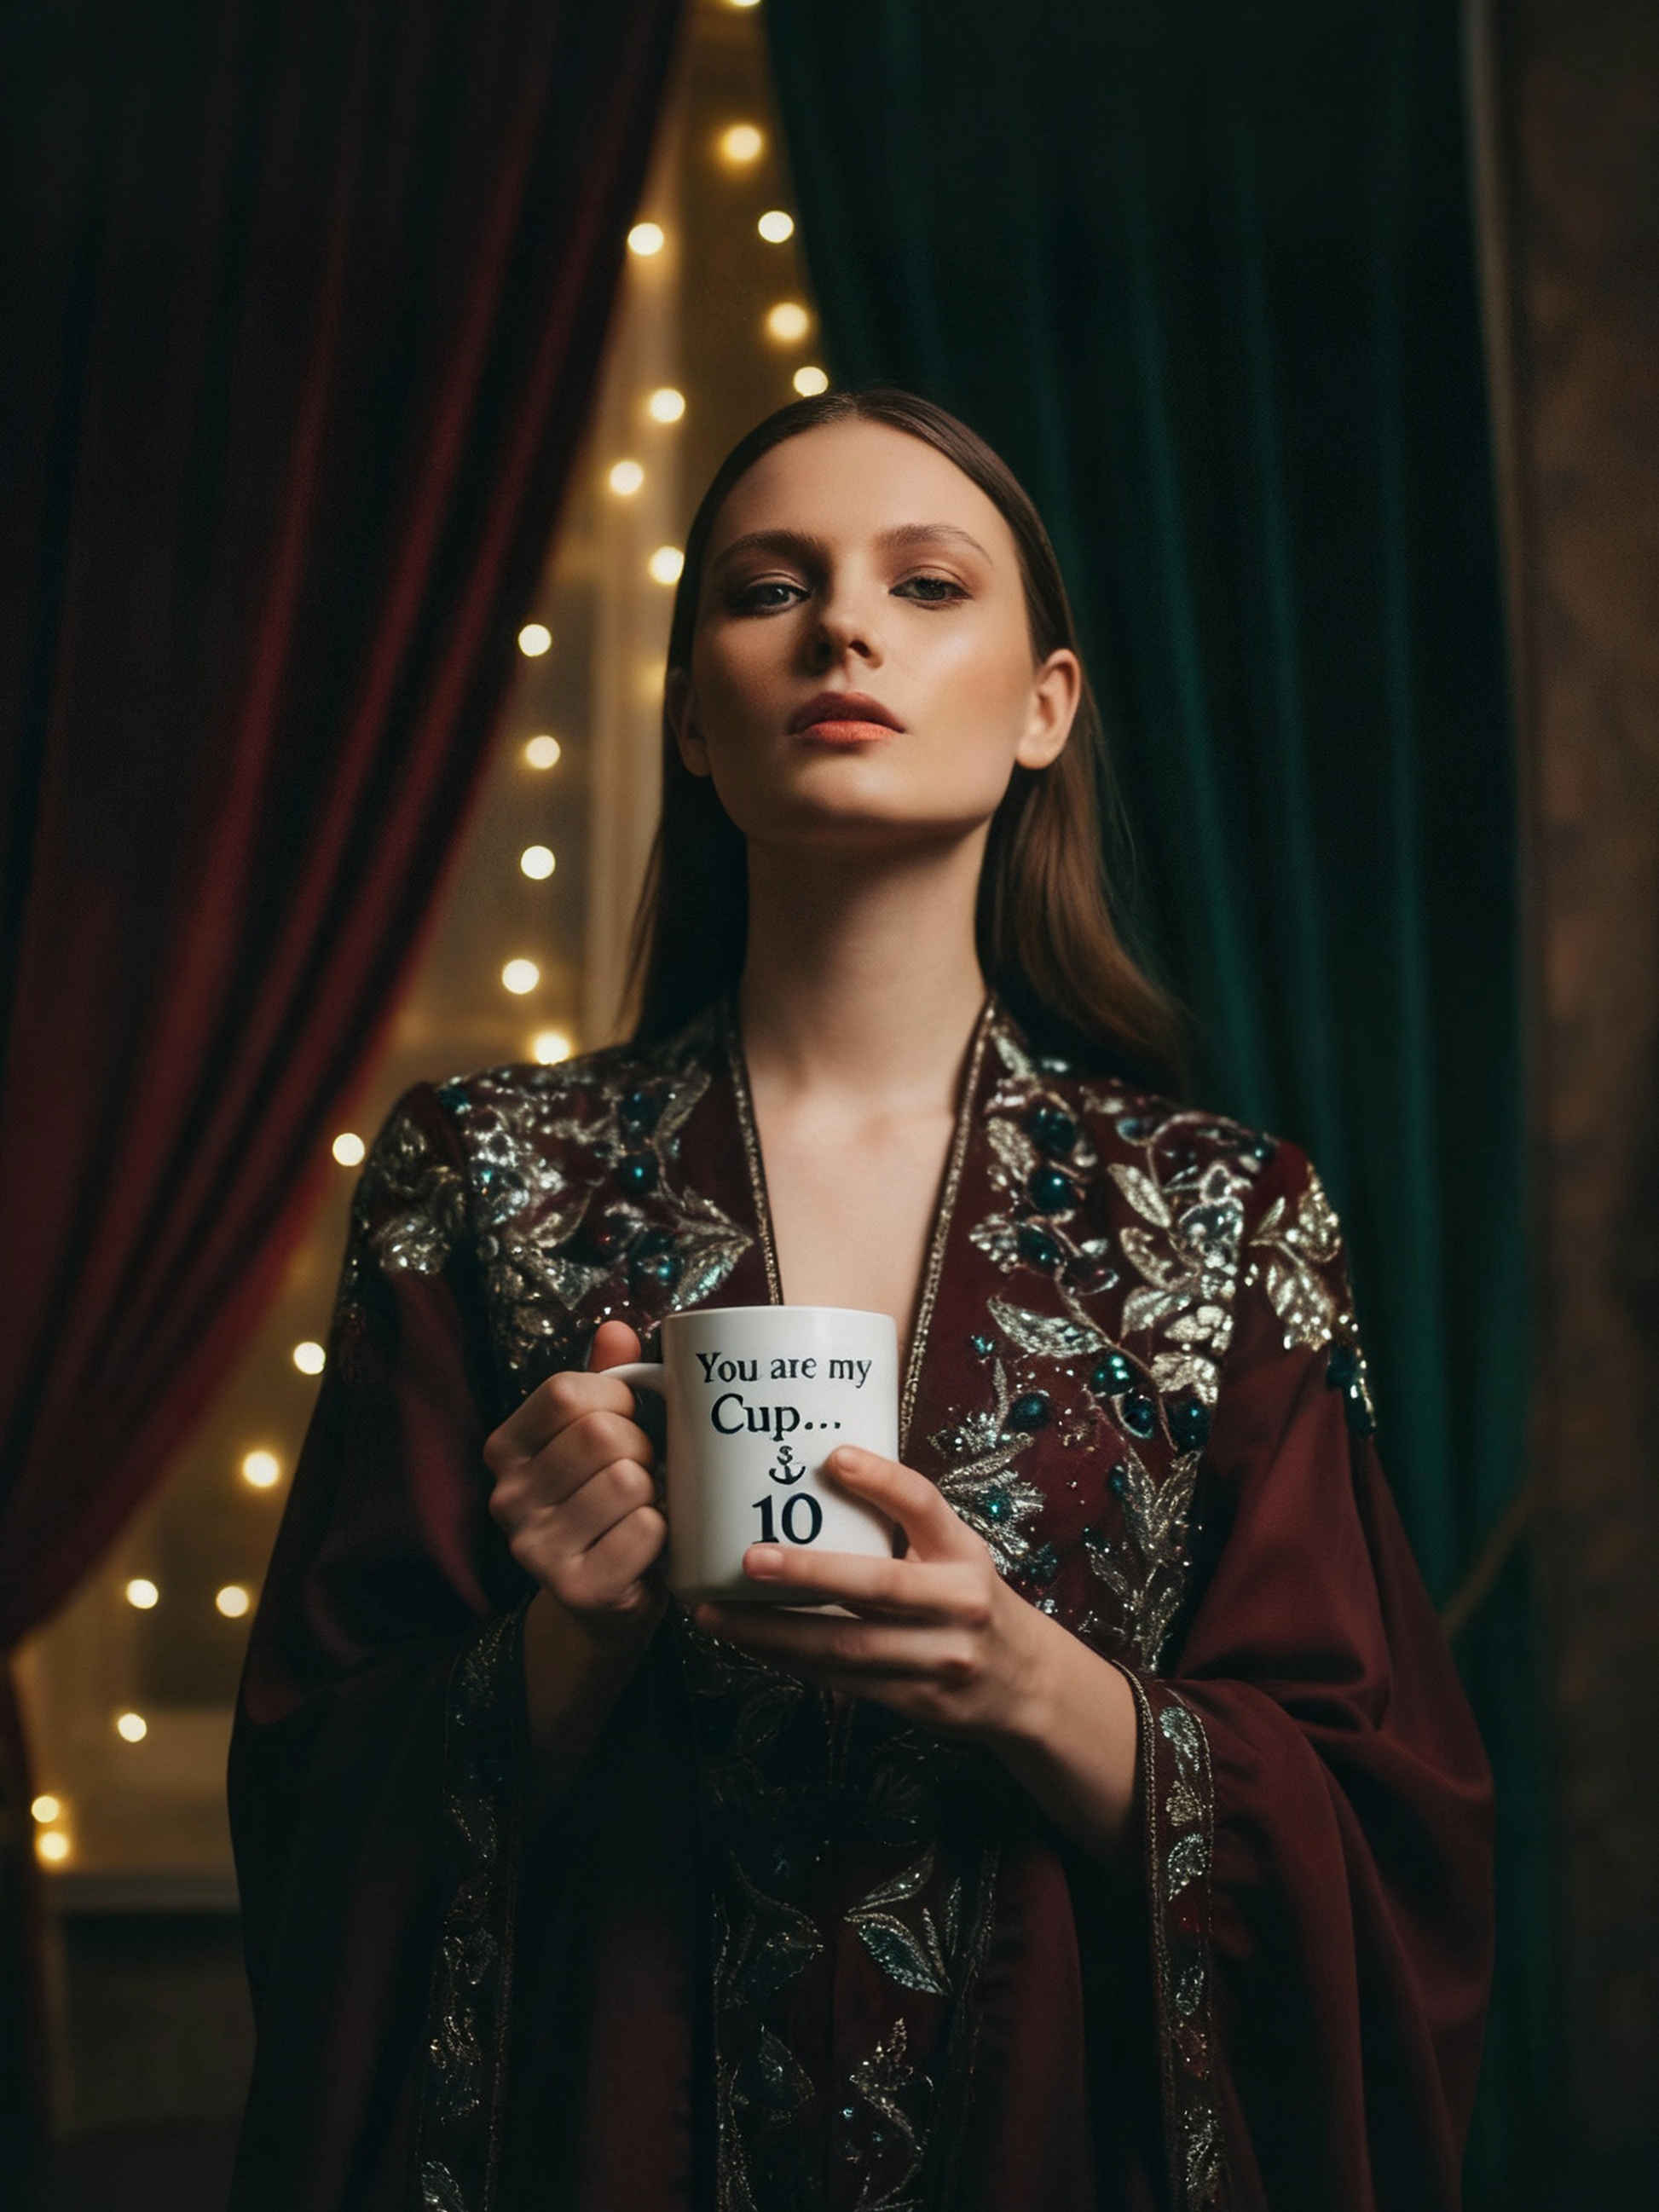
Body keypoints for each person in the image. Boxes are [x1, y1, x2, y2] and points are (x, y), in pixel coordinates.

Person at [227, 389, 1492, 2212]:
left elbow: (1389, 1828)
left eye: (925, 584)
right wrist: (571, 1634)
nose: (842, 628)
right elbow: (313, 1785)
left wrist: (1032, 1684)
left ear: (1046, 705)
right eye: (769, 588)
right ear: (690, 715)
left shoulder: (1222, 1215)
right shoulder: (483, 1175)